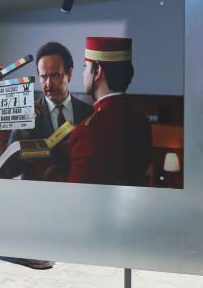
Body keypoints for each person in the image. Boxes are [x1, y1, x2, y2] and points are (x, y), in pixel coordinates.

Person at [64, 37, 151, 186]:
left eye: (86, 67)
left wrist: (47, 169)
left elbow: (75, 194)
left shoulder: (88, 130)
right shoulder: (142, 120)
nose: (83, 74)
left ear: (97, 71)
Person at [1, 41, 94, 181]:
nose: (48, 84)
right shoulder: (27, 115)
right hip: (37, 198)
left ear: (69, 73)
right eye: (43, 77)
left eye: (55, 75)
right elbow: (9, 170)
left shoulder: (88, 113)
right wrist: (22, 126)